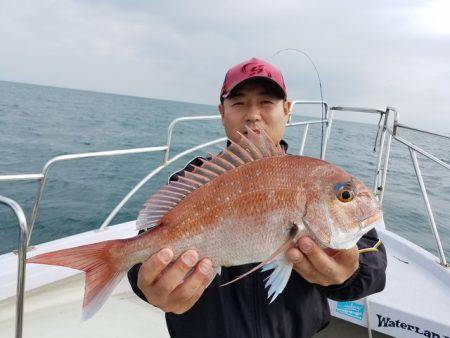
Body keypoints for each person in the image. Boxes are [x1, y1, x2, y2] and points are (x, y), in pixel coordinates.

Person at [128, 57, 387, 338]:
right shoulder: (190, 181)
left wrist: (348, 273)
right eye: (239, 103)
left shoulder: (317, 180)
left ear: (287, 110)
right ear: (222, 112)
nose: (253, 115)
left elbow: (373, 264)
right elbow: (147, 247)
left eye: (266, 102)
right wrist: (149, 284)